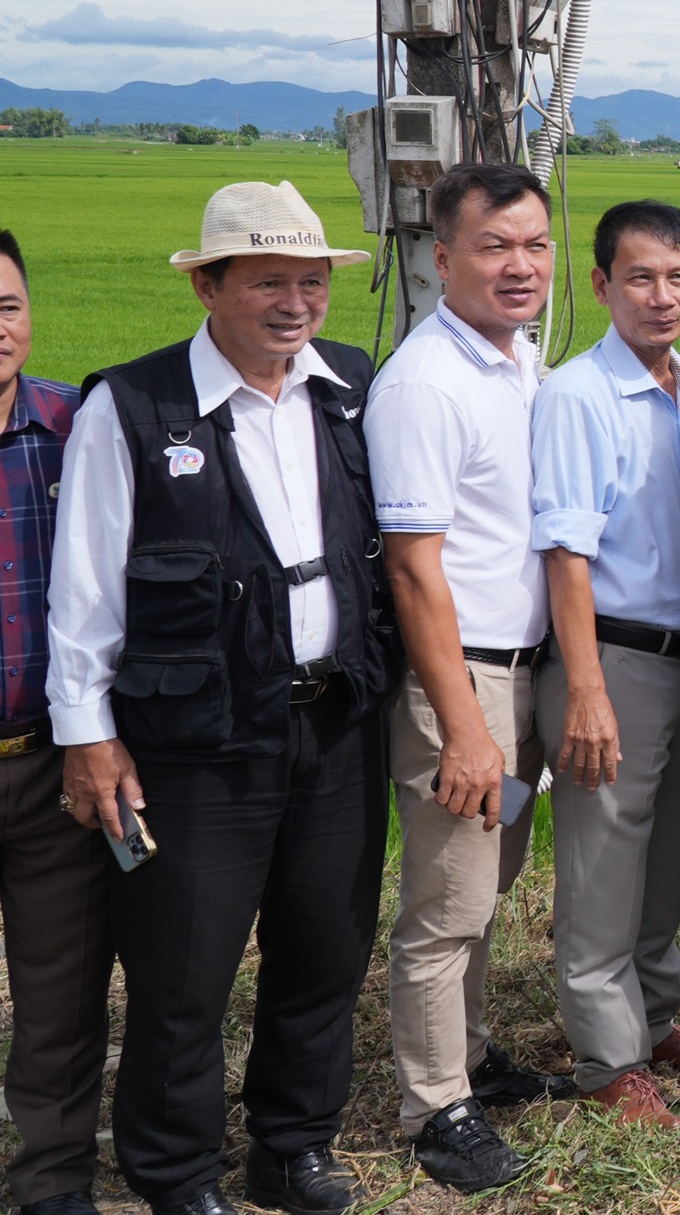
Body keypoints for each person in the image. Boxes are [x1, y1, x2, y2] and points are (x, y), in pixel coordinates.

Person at [51, 184, 398, 1215]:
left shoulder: (349, 387)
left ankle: (293, 1145)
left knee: (326, 944)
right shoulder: (135, 405)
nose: (296, 303)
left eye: (312, 281)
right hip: (195, 735)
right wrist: (88, 733)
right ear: (207, 285)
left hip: (335, 718)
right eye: (268, 282)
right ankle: (175, 1171)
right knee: (185, 964)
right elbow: (85, 585)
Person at [369, 163, 566, 1194]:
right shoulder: (425, 383)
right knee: (447, 903)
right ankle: (436, 1104)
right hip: (465, 683)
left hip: (522, 674)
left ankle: (473, 1058)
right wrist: (464, 727)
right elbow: (413, 568)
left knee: (487, 887)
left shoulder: (519, 360)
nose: (519, 265)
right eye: (494, 247)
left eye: (535, 245)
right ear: (442, 259)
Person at [530, 200, 680, 1126]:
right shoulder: (579, 394)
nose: (663, 296)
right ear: (601, 284)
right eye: (641, 277)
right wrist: (585, 690)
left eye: (678, 277)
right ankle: (608, 1061)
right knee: (603, 866)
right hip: (612, 658)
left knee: (668, 850)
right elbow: (565, 552)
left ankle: (655, 1023)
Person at [0, 232, 104, 1215]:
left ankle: (54, 1175)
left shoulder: (80, 426)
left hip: (51, 758)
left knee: (62, 987)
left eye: (6, 306)